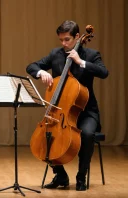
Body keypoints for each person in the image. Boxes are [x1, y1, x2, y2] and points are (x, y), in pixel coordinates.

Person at [26, 20, 109, 191]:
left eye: (67, 39)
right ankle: (61, 175)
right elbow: (31, 66)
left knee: (86, 134)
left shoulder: (91, 55)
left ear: (78, 37)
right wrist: (41, 72)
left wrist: (81, 62)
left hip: (86, 112)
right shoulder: (56, 54)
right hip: (60, 113)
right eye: (61, 40)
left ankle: (81, 176)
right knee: (46, 136)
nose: (63, 44)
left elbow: (104, 72)